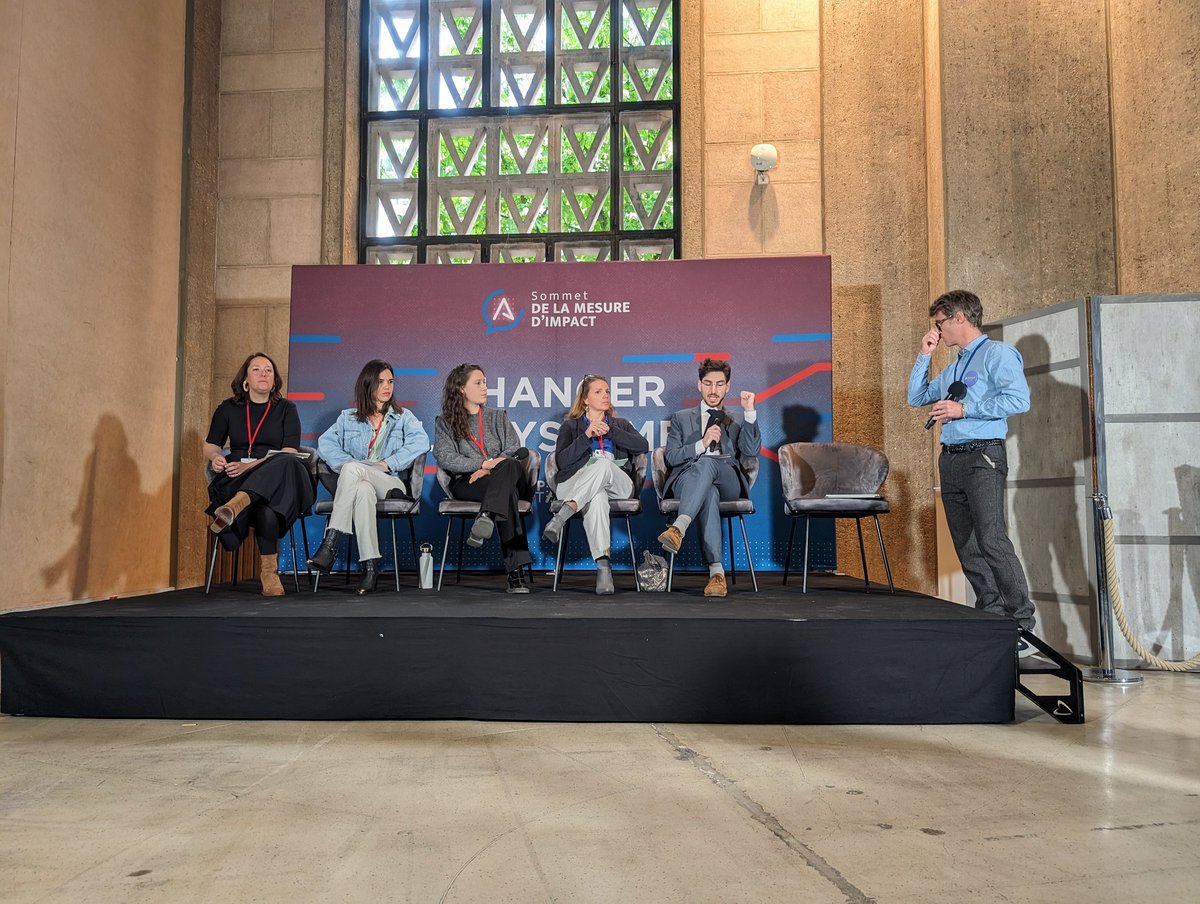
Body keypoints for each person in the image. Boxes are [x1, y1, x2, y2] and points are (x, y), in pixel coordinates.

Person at [907, 288, 1037, 656]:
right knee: (967, 545)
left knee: (992, 540)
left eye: (940, 323)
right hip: (951, 457)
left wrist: (965, 410)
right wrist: (924, 355)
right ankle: (992, 616)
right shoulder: (955, 365)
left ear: (959, 318)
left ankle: (1022, 623)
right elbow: (917, 397)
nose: (939, 330)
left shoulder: (997, 354)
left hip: (983, 457)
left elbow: (1018, 399)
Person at [309, 360, 431, 594]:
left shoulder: (403, 417)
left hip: (390, 482)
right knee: (362, 489)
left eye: (391, 381)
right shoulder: (348, 418)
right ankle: (372, 568)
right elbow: (325, 445)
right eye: (380, 381)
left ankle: (330, 545)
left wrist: (388, 463)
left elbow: (421, 442)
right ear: (368, 384)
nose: (387, 387)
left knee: (355, 472)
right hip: (358, 481)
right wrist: (350, 466)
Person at [203, 352, 315, 597]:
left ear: (274, 381)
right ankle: (269, 573)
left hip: (281, 482)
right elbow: (211, 444)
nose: (263, 374)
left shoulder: (286, 409)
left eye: (268, 370)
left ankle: (235, 507)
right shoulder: (228, 409)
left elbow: (289, 450)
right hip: (235, 478)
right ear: (245, 378)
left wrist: (249, 466)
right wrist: (216, 458)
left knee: (286, 460)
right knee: (266, 510)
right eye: (256, 369)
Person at [658, 358, 760, 598]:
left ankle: (679, 527)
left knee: (709, 465)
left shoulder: (735, 419)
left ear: (727, 387)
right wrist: (700, 444)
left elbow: (751, 450)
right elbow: (671, 457)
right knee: (708, 490)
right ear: (699, 385)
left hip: (728, 480)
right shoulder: (681, 418)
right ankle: (716, 574)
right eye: (708, 384)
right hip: (688, 478)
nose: (713, 390)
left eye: (719, 384)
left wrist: (750, 412)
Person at [544, 375, 650, 594]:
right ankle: (604, 568)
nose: (605, 396)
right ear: (585, 399)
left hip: (617, 484)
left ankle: (564, 513)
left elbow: (642, 445)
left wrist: (610, 431)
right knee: (597, 496)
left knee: (603, 463)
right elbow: (562, 462)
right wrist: (586, 436)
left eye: (607, 391)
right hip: (575, 483)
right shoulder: (571, 426)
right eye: (598, 392)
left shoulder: (620, 424)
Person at [433, 363, 534, 593]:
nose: (484, 387)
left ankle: (487, 514)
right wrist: (481, 464)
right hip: (470, 482)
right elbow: (446, 457)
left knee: (509, 466)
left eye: (485, 382)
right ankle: (514, 573)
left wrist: (490, 468)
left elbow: (513, 448)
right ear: (461, 388)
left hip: (503, 474)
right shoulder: (445, 422)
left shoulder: (497, 417)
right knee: (506, 493)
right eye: (478, 383)